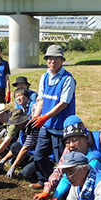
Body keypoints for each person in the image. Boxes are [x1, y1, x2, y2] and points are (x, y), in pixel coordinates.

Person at [30, 44, 76, 189]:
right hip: (46, 126)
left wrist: (45, 117)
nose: (52, 62)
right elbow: (41, 100)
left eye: (56, 59)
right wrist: (36, 118)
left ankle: (63, 187)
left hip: (60, 127)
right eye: (49, 59)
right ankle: (44, 180)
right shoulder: (44, 77)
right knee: (39, 155)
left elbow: (63, 103)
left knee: (61, 159)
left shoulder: (67, 79)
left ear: (62, 60)